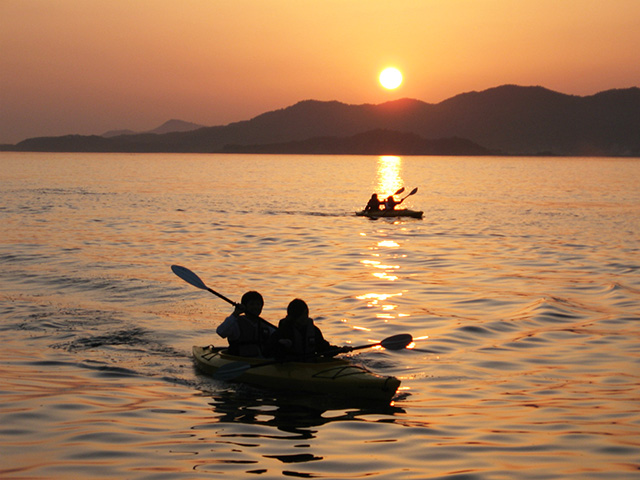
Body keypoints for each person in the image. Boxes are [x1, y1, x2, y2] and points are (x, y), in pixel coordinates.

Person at [269, 298, 352, 361]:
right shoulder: (283, 331)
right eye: (302, 315)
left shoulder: (314, 331)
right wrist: (280, 345)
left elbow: (324, 349)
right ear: (293, 317)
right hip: (291, 365)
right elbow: (267, 351)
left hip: (309, 366)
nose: (305, 318)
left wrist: (341, 349)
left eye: (306, 314)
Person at [216, 291, 275, 357]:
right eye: (252, 304)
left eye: (258, 304)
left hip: (260, 361)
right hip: (238, 360)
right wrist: (235, 314)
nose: (255, 307)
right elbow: (221, 332)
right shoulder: (236, 322)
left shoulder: (265, 325)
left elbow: (276, 337)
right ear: (245, 306)